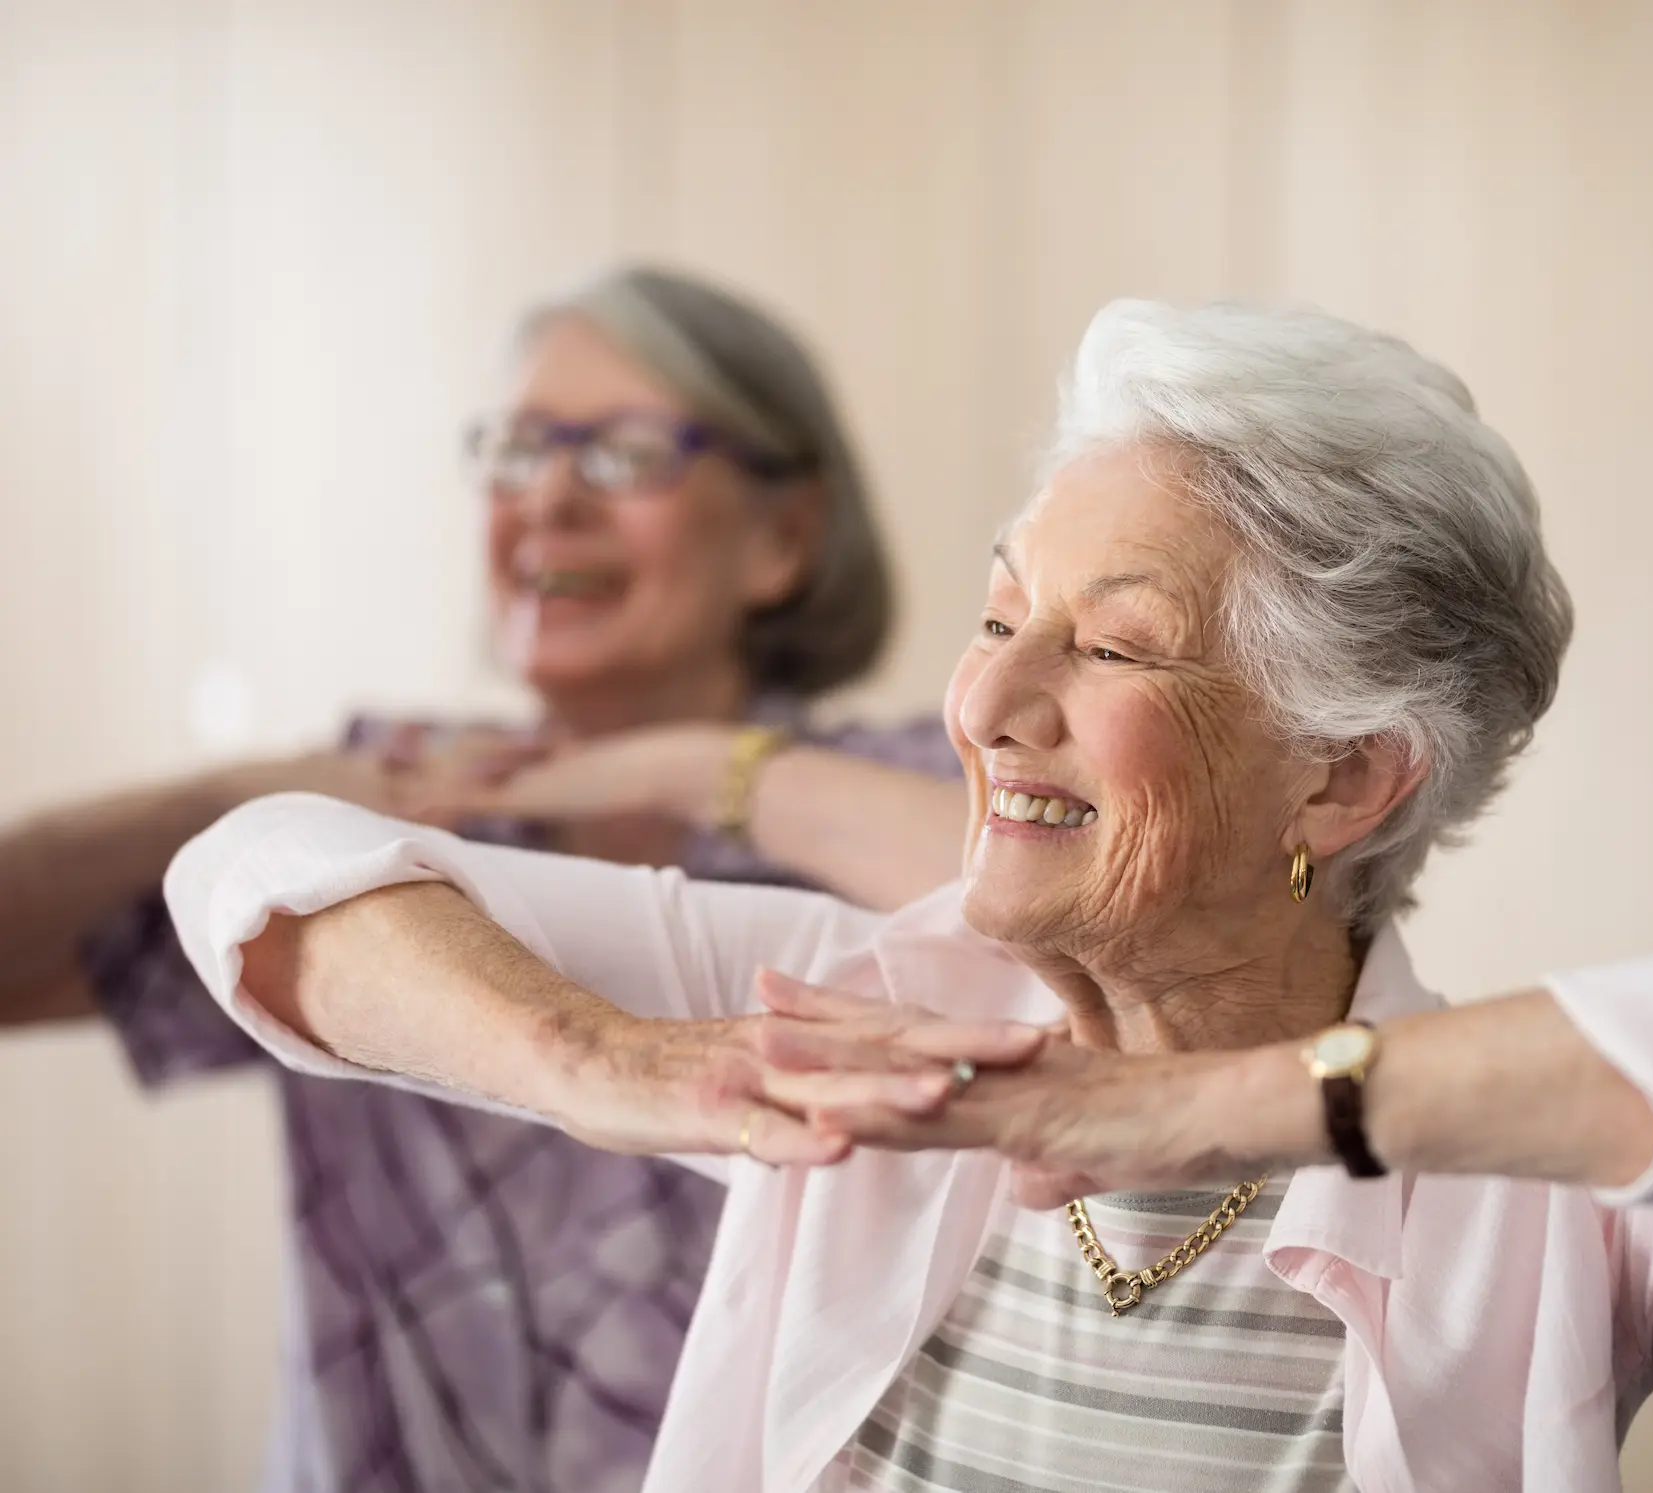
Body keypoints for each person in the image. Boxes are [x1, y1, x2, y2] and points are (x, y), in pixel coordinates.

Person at [166, 299, 1653, 1493]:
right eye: (1001, 617)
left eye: (1115, 646)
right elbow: (258, 877)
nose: (986, 703)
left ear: (1345, 770)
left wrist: (1195, 1103)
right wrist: (615, 1065)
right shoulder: (856, 1022)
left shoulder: (1524, 1190)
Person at [0, 265, 966, 1493]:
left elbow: (1098, 907)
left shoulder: (896, 781)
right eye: (516, 449)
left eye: (624, 453)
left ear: (782, 535)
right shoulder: (378, 828)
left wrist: (693, 767)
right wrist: (256, 792)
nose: (549, 495)